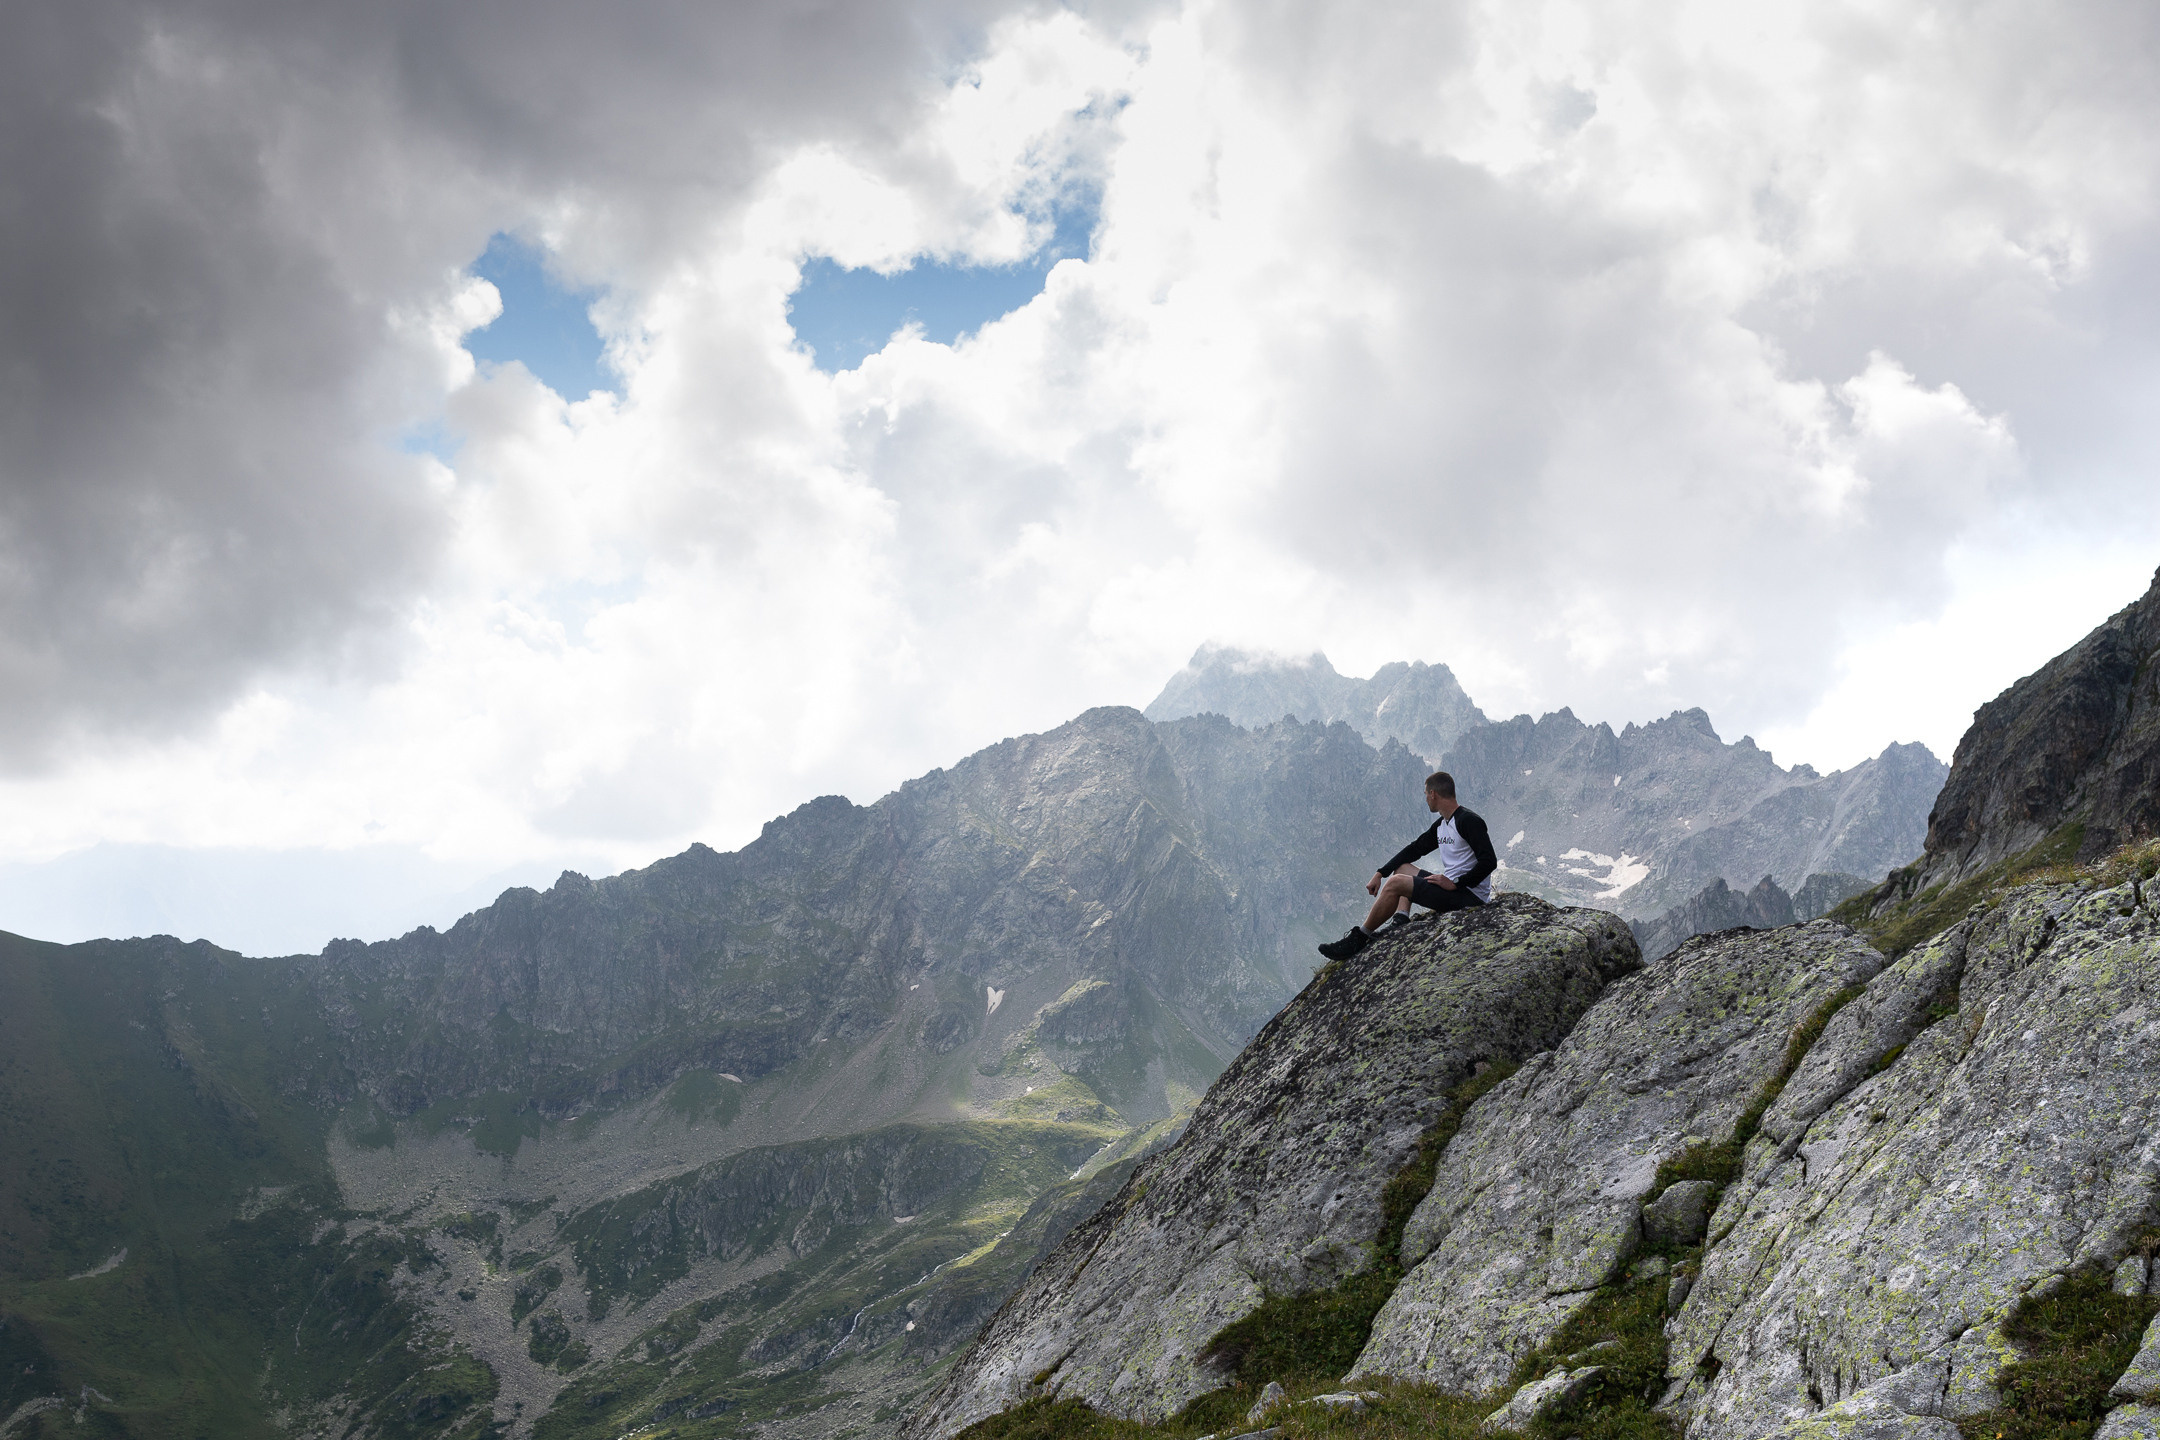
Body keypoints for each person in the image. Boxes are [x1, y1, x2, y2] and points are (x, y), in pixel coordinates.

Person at [1317, 770, 1498, 961]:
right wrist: (1380, 872)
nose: (1426, 799)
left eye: (1426, 794)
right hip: (1453, 890)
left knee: (1396, 883)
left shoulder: (1468, 820)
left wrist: (1456, 883)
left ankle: (1360, 937)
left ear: (1433, 794)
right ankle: (1401, 917)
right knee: (1402, 868)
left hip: (1468, 897)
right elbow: (1415, 849)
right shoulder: (1443, 824)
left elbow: (1489, 861)